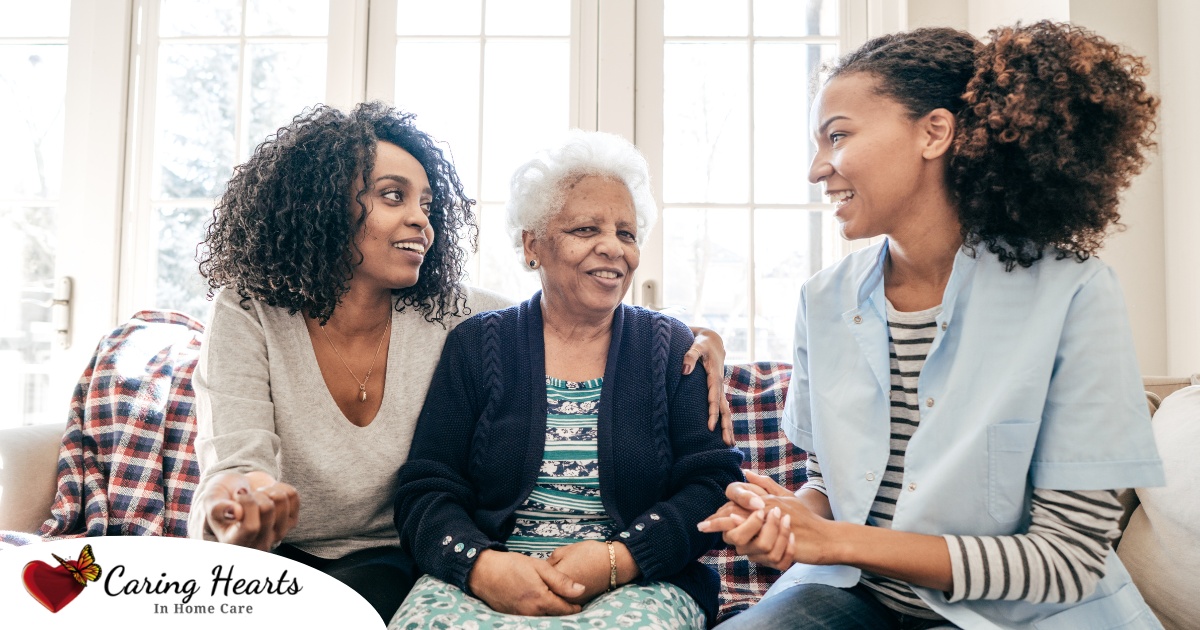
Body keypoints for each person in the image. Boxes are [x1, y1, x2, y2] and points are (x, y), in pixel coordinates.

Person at [700, 22, 1165, 630]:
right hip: (854, 599)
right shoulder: (823, 300)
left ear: (934, 132)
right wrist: (788, 523)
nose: (818, 169)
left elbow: (1065, 561)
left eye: (837, 136)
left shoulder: (1074, 294)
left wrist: (835, 540)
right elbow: (829, 485)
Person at [189, 103, 732, 622]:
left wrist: (695, 333)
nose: (420, 221)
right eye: (393, 196)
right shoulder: (248, 310)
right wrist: (234, 502)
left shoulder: (447, 312)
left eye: (427, 205)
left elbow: (577, 310)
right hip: (272, 555)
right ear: (324, 204)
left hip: (382, 560)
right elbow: (236, 465)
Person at [390, 131, 744, 629]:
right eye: (585, 230)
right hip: (492, 576)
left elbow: (713, 483)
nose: (613, 249)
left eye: (626, 233)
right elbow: (427, 488)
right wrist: (480, 566)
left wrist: (619, 558)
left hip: (637, 582)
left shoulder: (671, 347)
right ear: (533, 245)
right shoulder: (478, 344)